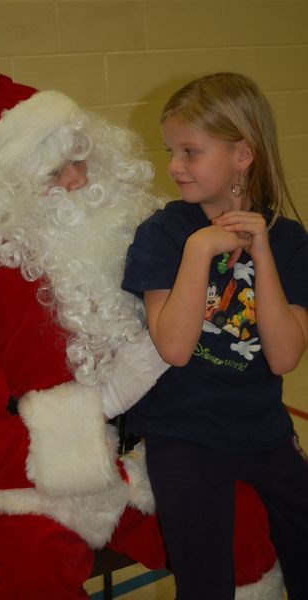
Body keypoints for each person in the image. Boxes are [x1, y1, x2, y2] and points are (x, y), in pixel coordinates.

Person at [0, 74, 282, 599]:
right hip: (31, 491)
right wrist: (103, 404)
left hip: (144, 466)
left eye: (81, 158)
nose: (80, 180)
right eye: (55, 171)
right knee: (28, 573)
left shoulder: (132, 238)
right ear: (3, 191)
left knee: (243, 515)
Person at [122, 71, 308, 600]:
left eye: (190, 151)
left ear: (243, 155)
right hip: (184, 434)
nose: (174, 167)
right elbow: (175, 347)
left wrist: (263, 255)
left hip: (263, 428)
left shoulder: (290, 242)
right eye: (171, 151)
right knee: (205, 579)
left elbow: (285, 357)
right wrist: (202, 249)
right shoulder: (162, 234)